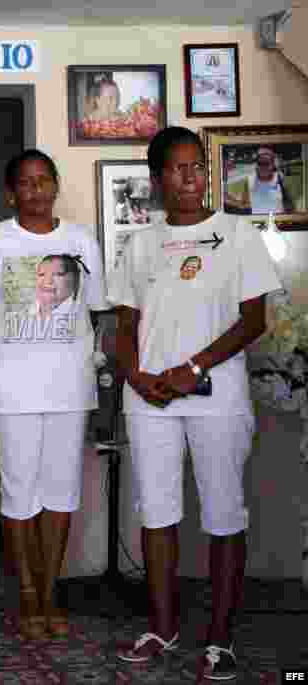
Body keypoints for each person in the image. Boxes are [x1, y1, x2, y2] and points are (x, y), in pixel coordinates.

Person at [111, 127, 281, 680]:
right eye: (179, 169)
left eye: (197, 167)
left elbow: (254, 319)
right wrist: (136, 376)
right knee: (157, 514)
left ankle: (220, 640)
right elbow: (126, 323)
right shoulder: (139, 243)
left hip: (216, 396)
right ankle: (163, 628)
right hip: (150, 397)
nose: (191, 177)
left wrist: (193, 369)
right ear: (158, 179)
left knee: (224, 514)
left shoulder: (237, 234)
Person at [0, 149, 108, 640]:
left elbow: (97, 311)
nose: (37, 190)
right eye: (26, 183)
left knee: (62, 493)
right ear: (11, 193)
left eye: (44, 181)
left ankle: (50, 591)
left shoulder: (81, 240)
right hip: (13, 392)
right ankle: (26, 593)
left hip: (69, 387)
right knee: (19, 491)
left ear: (56, 186)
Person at [225, 146, 295, 215]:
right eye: (260, 163)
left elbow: (289, 205)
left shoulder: (279, 178)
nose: (263, 167)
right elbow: (244, 205)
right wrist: (230, 200)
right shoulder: (250, 180)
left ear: (273, 164)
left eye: (266, 163)